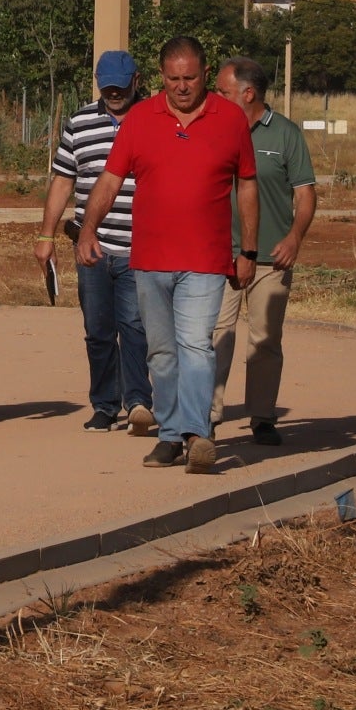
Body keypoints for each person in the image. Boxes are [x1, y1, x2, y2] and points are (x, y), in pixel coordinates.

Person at [76, 35, 258, 476]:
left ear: (204, 73)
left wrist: (248, 248)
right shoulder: (140, 119)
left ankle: (198, 434)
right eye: (174, 78)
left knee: (196, 345)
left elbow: (247, 184)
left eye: (191, 78)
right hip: (150, 260)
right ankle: (171, 434)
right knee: (161, 352)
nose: (182, 87)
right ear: (161, 77)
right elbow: (110, 178)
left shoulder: (230, 118)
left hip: (206, 260)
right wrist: (87, 229)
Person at [36, 50, 150, 435]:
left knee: (135, 326)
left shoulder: (156, 117)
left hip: (141, 245)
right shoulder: (80, 122)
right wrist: (46, 234)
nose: (114, 94)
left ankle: (139, 401)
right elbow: (64, 180)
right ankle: (105, 405)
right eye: (107, 87)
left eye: (121, 86)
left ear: (137, 80)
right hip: (91, 247)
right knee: (98, 329)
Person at [210, 57, 316, 447]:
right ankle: (207, 414)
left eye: (223, 91)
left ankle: (262, 416)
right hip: (221, 255)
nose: (216, 98)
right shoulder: (216, 129)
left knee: (265, 339)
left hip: (271, 257)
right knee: (215, 335)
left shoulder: (286, 134)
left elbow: (305, 193)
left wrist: (295, 237)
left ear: (248, 93)